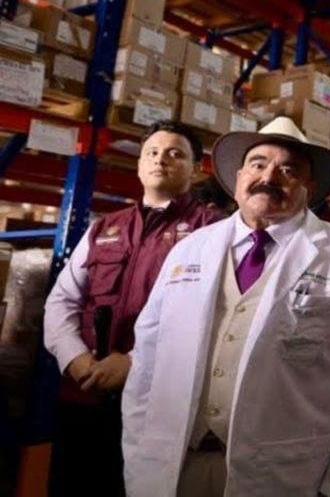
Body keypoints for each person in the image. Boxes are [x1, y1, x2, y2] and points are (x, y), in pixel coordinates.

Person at [121, 117, 330, 497]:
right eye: (258, 164)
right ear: (239, 176)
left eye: (288, 170)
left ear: (309, 188)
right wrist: (138, 459)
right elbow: (146, 363)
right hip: (174, 468)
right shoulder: (190, 249)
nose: (269, 176)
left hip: (280, 476)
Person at [43, 120, 223, 496]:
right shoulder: (104, 228)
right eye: (152, 152)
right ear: (139, 164)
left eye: (175, 154)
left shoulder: (212, 231)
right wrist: (75, 358)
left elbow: (213, 318)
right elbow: (62, 301)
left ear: (196, 168)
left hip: (156, 403)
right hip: (84, 393)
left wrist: (134, 363)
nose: (161, 160)